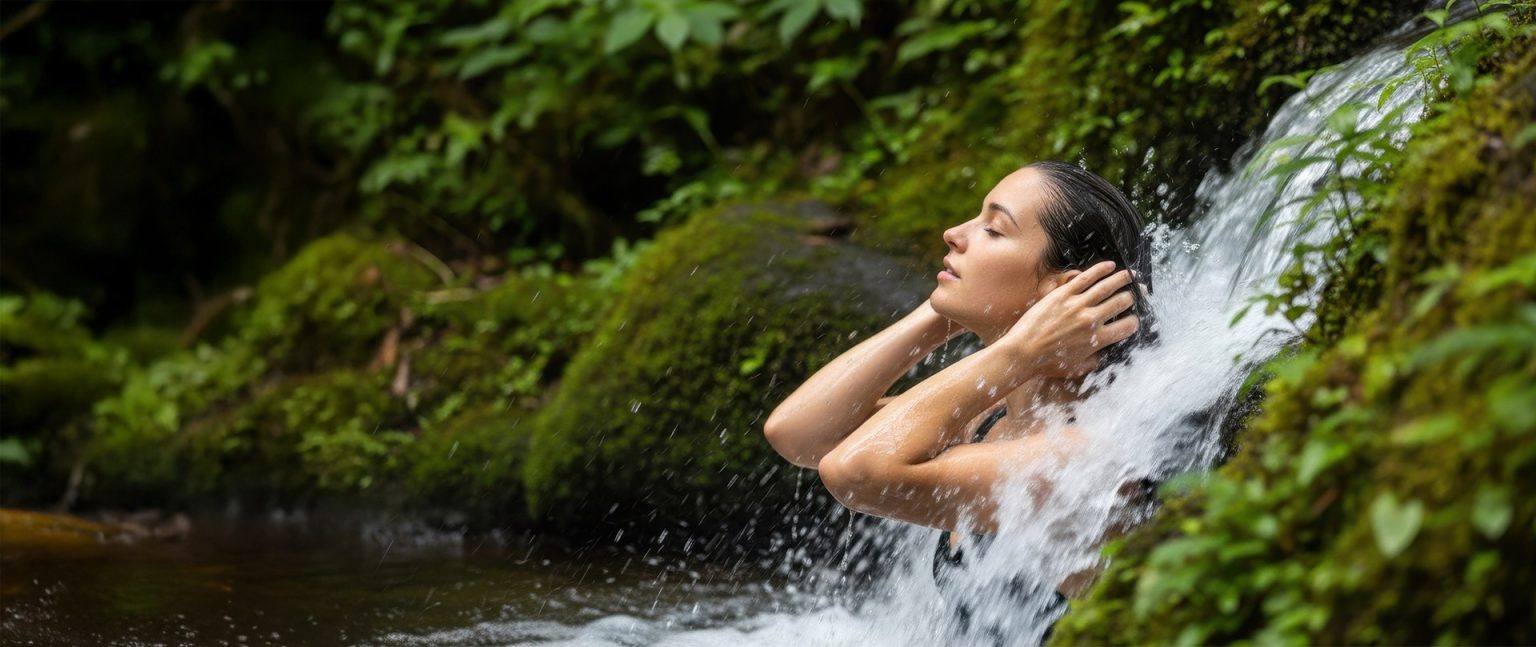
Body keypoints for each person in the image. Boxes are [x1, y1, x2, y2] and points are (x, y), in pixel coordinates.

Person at [762, 160, 1158, 645]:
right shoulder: (988, 419)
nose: (954, 233)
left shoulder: (1085, 457)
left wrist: (1015, 352)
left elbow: (855, 471)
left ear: (1063, 290)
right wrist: (940, 313)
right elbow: (800, 435)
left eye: (993, 229)